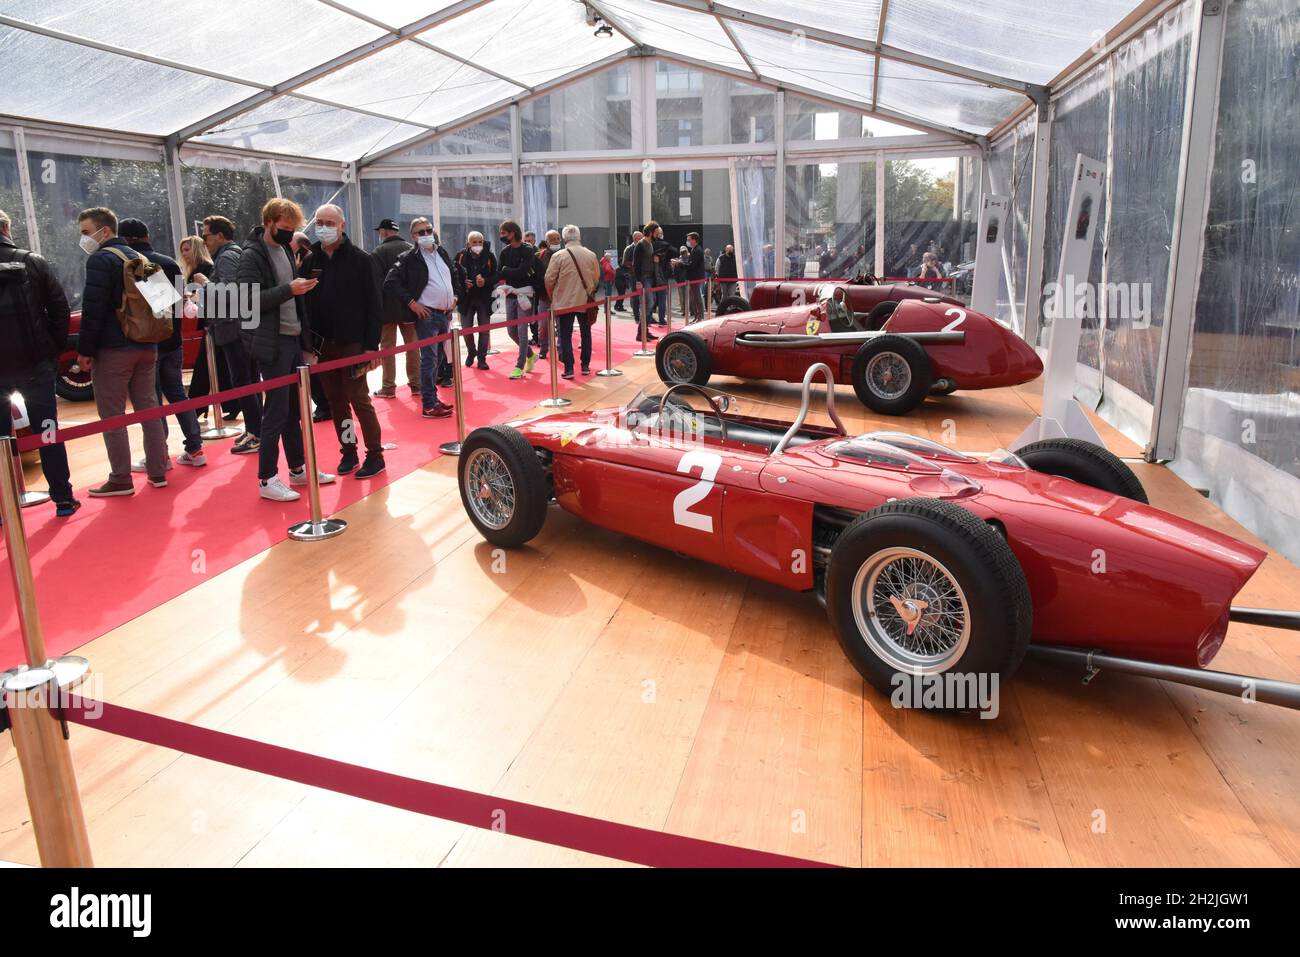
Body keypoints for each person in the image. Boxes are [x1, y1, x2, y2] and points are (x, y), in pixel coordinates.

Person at [235, 197, 334, 502]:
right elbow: (247, 300)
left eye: (292, 229)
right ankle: (266, 477)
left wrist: (305, 337)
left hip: (291, 338)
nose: (289, 233)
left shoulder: (284, 251)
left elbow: (292, 298)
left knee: (293, 409)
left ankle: (297, 467)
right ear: (269, 222)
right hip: (272, 341)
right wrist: (288, 290)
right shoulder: (252, 255)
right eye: (284, 228)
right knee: (276, 411)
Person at [74, 206, 169, 496]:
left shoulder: (100, 260)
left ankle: (120, 478)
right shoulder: (142, 258)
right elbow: (166, 301)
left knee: (113, 414)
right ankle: (158, 470)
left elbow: (93, 310)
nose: (84, 238)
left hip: (114, 348)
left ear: (105, 231)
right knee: (148, 408)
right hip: (147, 345)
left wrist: (84, 351)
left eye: (86, 232)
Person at [0, 208, 79, 517]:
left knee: (1, 439)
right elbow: (60, 309)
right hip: (36, 366)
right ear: (7, 228)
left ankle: (5, 509)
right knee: (48, 431)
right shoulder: (32, 261)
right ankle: (62, 498)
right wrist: (52, 351)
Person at [300, 204, 386, 479]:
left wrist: (373, 346)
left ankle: (375, 454)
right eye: (319, 221)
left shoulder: (362, 259)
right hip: (324, 345)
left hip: (354, 344)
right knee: (336, 401)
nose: (323, 226)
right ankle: (348, 450)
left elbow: (375, 304)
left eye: (329, 222)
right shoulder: (311, 259)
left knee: (359, 399)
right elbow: (305, 302)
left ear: (342, 225)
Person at [118, 218, 205, 473]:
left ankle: (160, 455)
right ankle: (195, 447)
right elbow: (177, 304)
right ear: (147, 235)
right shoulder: (169, 263)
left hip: (147, 343)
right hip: (173, 340)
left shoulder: (134, 265)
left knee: (152, 399)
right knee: (177, 393)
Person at [194, 215, 263, 454]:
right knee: (248, 380)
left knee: (244, 381)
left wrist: (203, 284)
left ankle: (256, 431)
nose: (204, 241)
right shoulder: (232, 254)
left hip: (235, 328)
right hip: (239, 326)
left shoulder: (227, 256)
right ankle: (256, 428)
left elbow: (231, 291)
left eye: (206, 236)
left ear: (220, 235)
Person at [383, 218, 462, 417]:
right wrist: (412, 303)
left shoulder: (441, 252)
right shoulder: (408, 257)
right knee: (429, 360)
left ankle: (432, 398)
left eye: (428, 230)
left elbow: (455, 275)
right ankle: (428, 404)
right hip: (427, 316)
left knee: (439, 359)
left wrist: (455, 297)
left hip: (444, 314)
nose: (426, 235)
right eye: (421, 232)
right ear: (413, 236)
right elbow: (391, 282)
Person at [179, 234, 233, 421]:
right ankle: (229, 405)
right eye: (182, 250)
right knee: (219, 365)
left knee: (207, 366)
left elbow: (212, 294)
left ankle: (198, 406)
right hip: (209, 323)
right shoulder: (195, 271)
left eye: (187, 249)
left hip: (214, 322)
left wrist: (193, 298)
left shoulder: (205, 269)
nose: (184, 254)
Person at [544, 224, 601, 380]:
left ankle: (569, 368)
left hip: (564, 301)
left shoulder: (559, 256)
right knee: (586, 333)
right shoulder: (591, 254)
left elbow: (549, 280)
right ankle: (585, 365)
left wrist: (552, 296)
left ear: (564, 238)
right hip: (585, 300)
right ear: (579, 236)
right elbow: (596, 278)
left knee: (565, 335)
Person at [370, 218, 417, 399]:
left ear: (384, 232)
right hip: (410, 306)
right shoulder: (411, 249)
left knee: (387, 348)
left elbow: (375, 284)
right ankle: (416, 384)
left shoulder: (378, 252)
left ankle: (388, 387)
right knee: (413, 346)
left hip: (387, 309)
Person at [495, 220, 538, 381]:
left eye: (503, 233)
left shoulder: (528, 250)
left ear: (512, 233)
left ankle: (519, 365)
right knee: (511, 331)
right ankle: (530, 354)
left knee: (522, 330)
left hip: (525, 294)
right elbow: (501, 273)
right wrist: (506, 272)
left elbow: (523, 271)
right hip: (510, 295)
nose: (502, 236)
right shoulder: (505, 252)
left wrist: (508, 271)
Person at [454, 231, 496, 370]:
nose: (478, 245)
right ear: (468, 244)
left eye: (480, 242)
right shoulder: (460, 256)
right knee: (466, 329)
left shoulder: (490, 256)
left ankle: (482, 358)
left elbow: (496, 276)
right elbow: (453, 275)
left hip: (484, 299)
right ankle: (471, 351)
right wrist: (463, 282)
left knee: (484, 330)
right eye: (474, 242)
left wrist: (485, 281)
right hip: (466, 300)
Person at [532, 229, 560, 360]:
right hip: (544, 296)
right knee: (543, 325)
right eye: (552, 239)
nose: (556, 241)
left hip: (561, 296)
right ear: (546, 242)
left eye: (558, 238)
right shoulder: (539, 256)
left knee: (562, 324)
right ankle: (544, 348)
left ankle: (561, 348)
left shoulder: (565, 254)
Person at [632, 223, 661, 341]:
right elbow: (636, 264)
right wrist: (638, 280)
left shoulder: (650, 244)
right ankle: (641, 333)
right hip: (644, 278)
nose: (658, 235)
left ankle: (644, 331)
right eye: (656, 233)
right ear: (651, 232)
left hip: (649, 278)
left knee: (650, 304)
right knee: (648, 305)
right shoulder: (641, 244)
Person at [650, 225, 672, 326]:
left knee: (651, 299)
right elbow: (674, 252)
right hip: (662, 276)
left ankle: (649, 317)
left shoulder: (650, 245)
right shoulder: (665, 245)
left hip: (651, 276)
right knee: (662, 299)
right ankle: (662, 319)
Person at [682, 231, 705, 323]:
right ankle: (697, 317)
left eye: (689, 240)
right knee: (694, 298)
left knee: (696, 297)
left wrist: (680, 264)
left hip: (695, 278)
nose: (687, 241)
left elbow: (692, 266)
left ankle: (699, 317)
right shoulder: (694, 250)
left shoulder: (697, 250)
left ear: (694, 240)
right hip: (693, 277)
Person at [620, 230, 642, 320]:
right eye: (641, 237)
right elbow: (624, 263)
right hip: (633, 275)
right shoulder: (629, 249)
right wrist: (634, 265)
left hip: (643, 275)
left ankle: (645, 315)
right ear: (636, 238)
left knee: (645, 296)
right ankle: (636, 315)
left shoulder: (643, 247)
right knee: (635, 296)